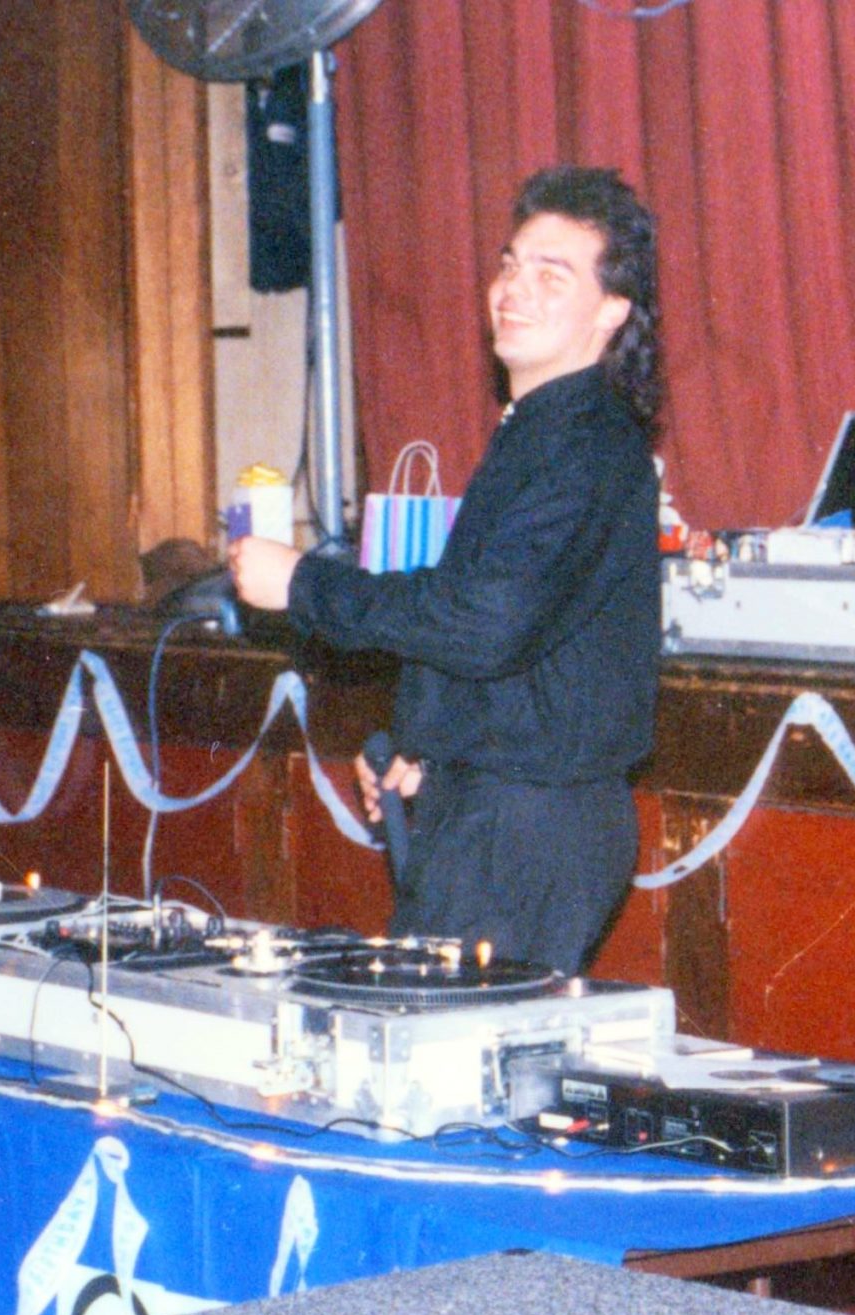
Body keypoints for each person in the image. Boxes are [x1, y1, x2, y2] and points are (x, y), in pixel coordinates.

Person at [229, 165, 662, 974]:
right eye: (509, 264)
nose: (513, 289)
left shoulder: (586, 444)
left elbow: (489, 621)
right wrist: (426, 748)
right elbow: (522, 648)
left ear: (611, 310)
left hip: (529, 828)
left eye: (551, 275)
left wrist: (304, 584)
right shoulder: (546, 432)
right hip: (503, 814)